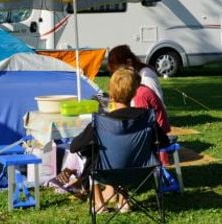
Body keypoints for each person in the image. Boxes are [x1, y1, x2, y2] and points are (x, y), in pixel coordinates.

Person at [70, 67, 169, 213]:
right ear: (134, 92)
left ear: (111, 93)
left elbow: (74, 147)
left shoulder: (101, 123)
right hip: (142, 172)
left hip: (107, 173)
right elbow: (164, 142)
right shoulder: (147, 118)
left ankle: (99, 205)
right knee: (127, 152)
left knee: (89, 153)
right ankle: (124, 201)